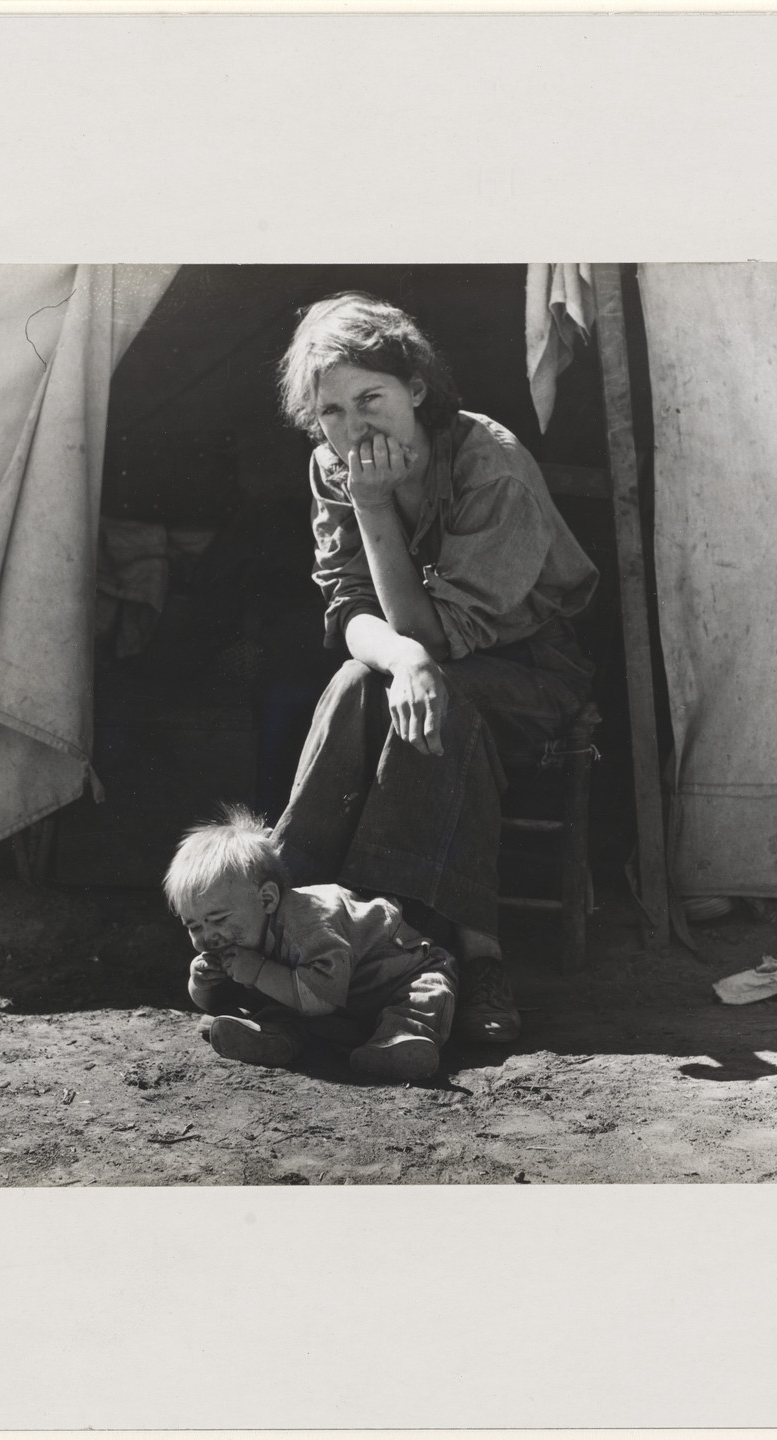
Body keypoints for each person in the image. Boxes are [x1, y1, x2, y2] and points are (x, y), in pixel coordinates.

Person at [271, 292, 599, 1043]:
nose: (353, 429)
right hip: (423, 662)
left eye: (370, 399)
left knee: (437, 698)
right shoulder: (335, 467)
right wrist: (402, 656)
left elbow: (440, 633)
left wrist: (376, 508)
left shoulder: (493, 467)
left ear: (415, 389)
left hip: (532, 670)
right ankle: (293, 918)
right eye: (332, 413)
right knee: (361, 681)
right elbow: (351, 609)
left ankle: (453, 957)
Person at [164, 806, 460, 1083]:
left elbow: (321, 997)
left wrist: (257, 972)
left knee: (424, 997)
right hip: (339, 1006)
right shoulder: (243, 934)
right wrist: (203, 984)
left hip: (398, 976)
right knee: (277, 1004)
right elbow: (231, 994)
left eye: (218, 919)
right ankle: (271, 1039)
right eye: (193, 925)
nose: (207, 936)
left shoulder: (307, 924)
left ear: (267, 899)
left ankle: (398, 1043)